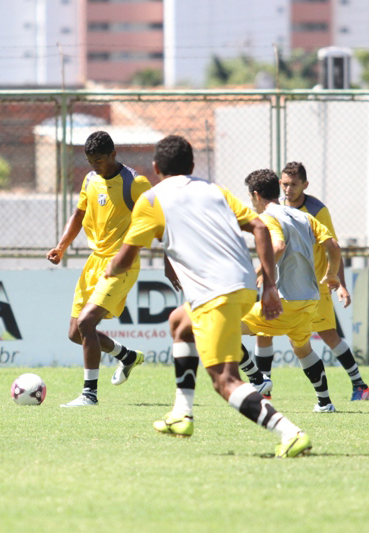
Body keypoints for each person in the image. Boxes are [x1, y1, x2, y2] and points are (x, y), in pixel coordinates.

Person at [106, 135, 311, 458]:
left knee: (225, 381)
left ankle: (290, 432)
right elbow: (259, 229)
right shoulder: (216, 190)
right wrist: (270, 286)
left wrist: (111, 269)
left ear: (156, 168)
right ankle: (182, 413)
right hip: (244, 285)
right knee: (180, 322)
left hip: (215, 293)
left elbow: (125, 258)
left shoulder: (152, 199)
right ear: (192, 165)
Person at [162, 168, 344, 420]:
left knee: (222, 326)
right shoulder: (302, 216)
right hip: (309, 300)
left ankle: (257, 379)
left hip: (286, 300)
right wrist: (332, 275)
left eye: (250, 198)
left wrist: (258, 273)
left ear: (256, 195)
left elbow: (278, 246)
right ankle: (325, 402)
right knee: (302, 348)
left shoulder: (269, 217)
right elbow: (333, 246)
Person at [47, 131, 152, 407]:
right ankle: (127, 356)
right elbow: (79, 214)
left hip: (121, 263)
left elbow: (157, 219)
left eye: (100, 161)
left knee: (86, 322)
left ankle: (89, 395)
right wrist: (61, 246)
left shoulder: (135, 183)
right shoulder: (90, 180)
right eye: (90, 161)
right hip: (95, 261)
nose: (95, 166)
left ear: (113, 154)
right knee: (75, 333)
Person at [253, 161, 369, 401]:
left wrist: (339, 283)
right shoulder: (278, 208)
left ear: (305, 185)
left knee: (328, 335)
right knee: (264, 333)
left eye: (294, 185)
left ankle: (359, 384)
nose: (288, 190)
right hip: (286, 287)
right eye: (285, 184)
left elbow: (333, 247)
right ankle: (265, 390)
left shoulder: (316, 211)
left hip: (315, 285)